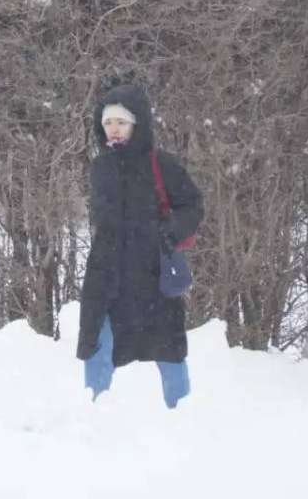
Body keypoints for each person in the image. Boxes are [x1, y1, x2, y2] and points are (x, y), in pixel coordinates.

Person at [77, 84, 204, 408]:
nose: (114, 129)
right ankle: (92, 416)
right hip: (107, 274)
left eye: (121, 121)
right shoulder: (99, 168)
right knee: (97, 344)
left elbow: (192, 205)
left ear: (137, 124)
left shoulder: (162, 164)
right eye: (108, 122)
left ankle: (183, 414)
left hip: (151, 273)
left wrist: (171, 233)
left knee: (169, 350)